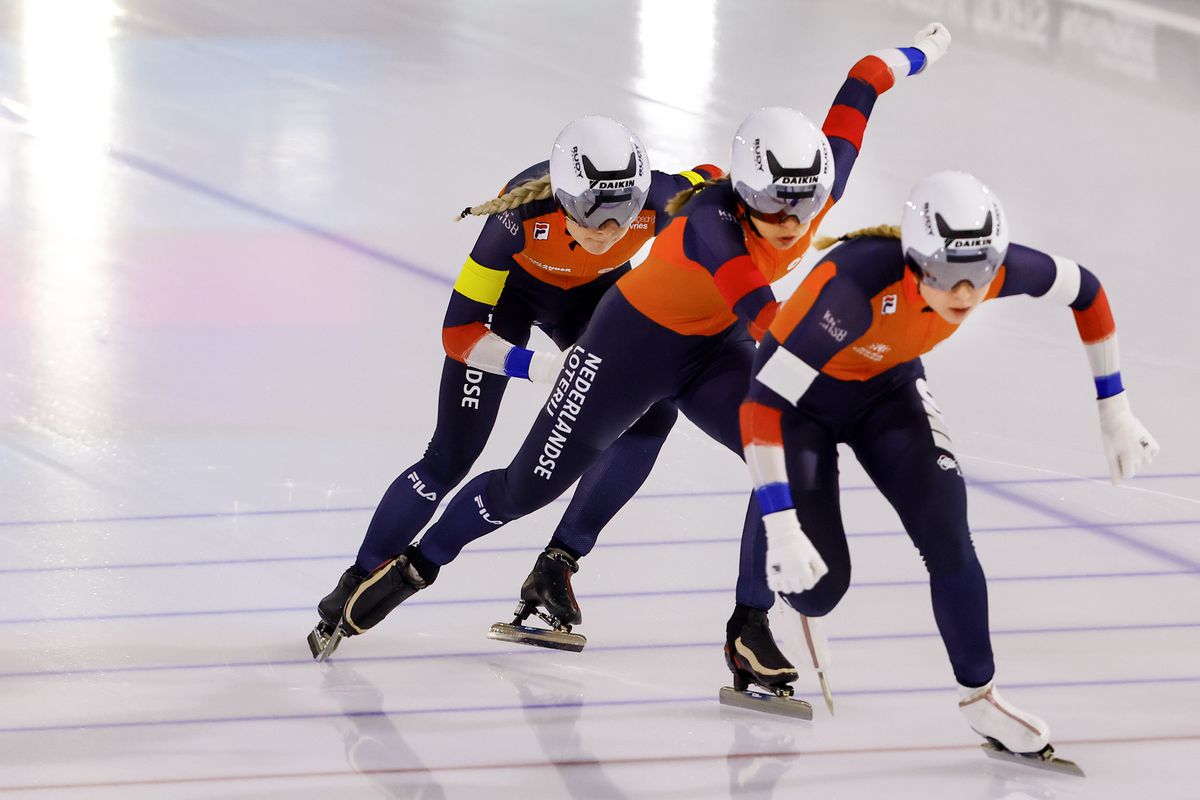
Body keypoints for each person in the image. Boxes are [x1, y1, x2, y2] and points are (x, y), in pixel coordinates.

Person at [322, 23, 955, 664]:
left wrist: (922, 52)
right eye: (775, 210)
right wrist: (536, 367)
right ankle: (411, 566)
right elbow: (761, 314)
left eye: (806, 206)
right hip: (622, 340)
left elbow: (865, 79)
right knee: (513, 484)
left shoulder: (679, 196)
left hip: (704, 344)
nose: (792, 225)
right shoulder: (553, 225)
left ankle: (742, 624)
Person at [736, 169, 1158, 769]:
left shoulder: (991, 266)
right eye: (946, 277)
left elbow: (1085, 289)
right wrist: (781, 526)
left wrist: (1114, 408)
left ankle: (980, 697)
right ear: (913, 265)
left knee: (949, 536)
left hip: (889, 391)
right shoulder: (849, 292)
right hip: (802, 405)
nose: (964, 294)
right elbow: (761, 406)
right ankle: (791, 585)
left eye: (979, 278)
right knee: (823, 587)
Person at [307, 115, 722, 658]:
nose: (606, 234)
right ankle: (355, 583)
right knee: (451, 457)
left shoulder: (661, 198)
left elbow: (715, 184)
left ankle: (558, 563)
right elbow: (459, 334)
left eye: (622, 220)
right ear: (564, 199)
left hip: (592, 300)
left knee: (653, 413)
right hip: (508, 306)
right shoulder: (515, 218)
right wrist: (537, 366)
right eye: (592, 219)